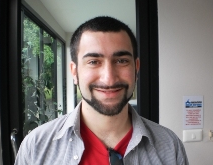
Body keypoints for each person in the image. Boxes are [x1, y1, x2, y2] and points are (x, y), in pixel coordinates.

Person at [15, 16, 189, 165]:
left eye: (121, 61)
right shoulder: (36, 147)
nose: (109, 78)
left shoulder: (169, 146)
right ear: (74, 72)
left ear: (136, 68)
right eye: (93, 61)